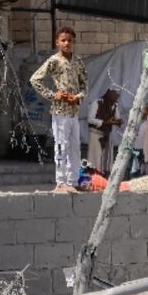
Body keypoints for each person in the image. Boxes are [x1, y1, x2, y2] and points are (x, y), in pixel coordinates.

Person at [30, 26, 88, 192]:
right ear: (57, 42)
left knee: (75, 146)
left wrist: (77, 97)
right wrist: (53, 95)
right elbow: (35, 80)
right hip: (60, 111)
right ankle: (61, 181)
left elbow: (85, 85)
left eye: (69, 40)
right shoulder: (54, 61)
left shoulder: (78, 61)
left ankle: (74, 180)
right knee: (61, 145)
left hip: (73, 111)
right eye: (63, 40)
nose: (66, 43)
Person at [86, 88, 123, 175]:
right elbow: (90, 119)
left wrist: (118, 122)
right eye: (115, 95)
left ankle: (104, 177)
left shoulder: (115, 105)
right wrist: (104, 122)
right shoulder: (97, 103)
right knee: (95, 157)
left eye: (117, 96)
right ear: (109, 93)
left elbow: (117, 119)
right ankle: (94, 177)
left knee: (106, 158)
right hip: (95, 133)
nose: (116, 97)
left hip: (107, 134)